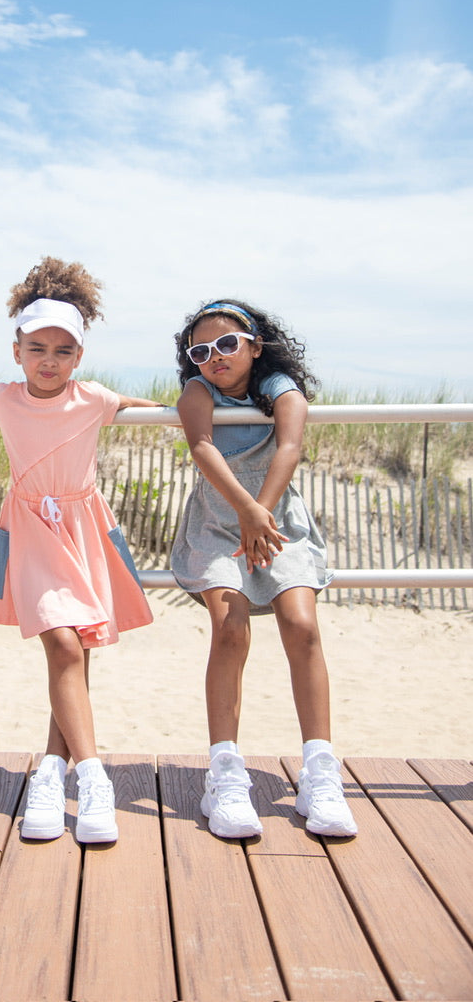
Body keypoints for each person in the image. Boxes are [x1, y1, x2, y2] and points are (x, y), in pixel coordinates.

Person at [0, 257, 158, 844]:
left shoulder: (93, 399)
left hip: (83, 527)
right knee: (63, 642)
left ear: (80, 357)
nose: (49, 361)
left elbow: (150, 412)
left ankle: (50, 769)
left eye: (63, 351)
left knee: (77, 651)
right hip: (33, 530)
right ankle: (94, 780)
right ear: (17, 350)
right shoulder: (3, 398)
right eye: (37, 348)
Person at [170, 299, 357, 840]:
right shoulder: (197, 392)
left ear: (254, 344)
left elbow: (290, 445)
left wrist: (264, 513)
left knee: (301, 626)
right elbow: (202, 447)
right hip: (219, 521)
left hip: (277, 521)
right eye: (200, 351)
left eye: (227, 344)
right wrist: (245, 512)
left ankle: (320, 772)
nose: (215, 357)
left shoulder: (278, 387)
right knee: (231, 630)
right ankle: (225, 774)